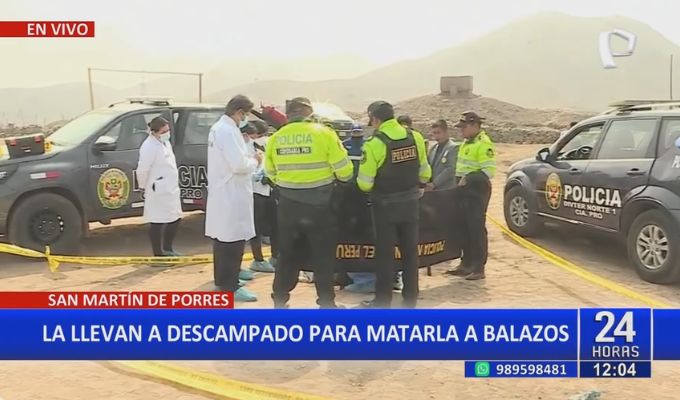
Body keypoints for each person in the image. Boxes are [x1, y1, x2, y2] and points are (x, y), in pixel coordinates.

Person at [265, 97, 353, 309]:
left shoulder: (276, 138)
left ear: (288, 114)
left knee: (287, 255)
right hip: (319, 206)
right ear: (308, 112)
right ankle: (326, 304)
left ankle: (280, 301)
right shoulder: (324, 133)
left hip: (288, 207)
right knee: (322, 256)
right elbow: (345, 170)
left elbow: (270, 172)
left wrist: (290, 184)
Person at [357, 101, 431, 308]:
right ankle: (410, 298)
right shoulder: (414, 137)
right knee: (410, 252)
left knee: (385, 255)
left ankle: (383, 301)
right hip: (410, 204)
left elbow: (364, 183)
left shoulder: (374, 144)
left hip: (385, 207)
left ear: (375, 119)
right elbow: (425, 173)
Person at [205, 95, 262, 302]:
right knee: (233, 242)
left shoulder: (218, 128)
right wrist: (255, 161)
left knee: (222, 240)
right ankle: (231, 286)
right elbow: (238, 165)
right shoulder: (228, 131)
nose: (244, 120)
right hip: (232, 193)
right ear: (238, 112)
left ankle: (222, 280)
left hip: (224, 192)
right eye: (244, 115)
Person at [447, 111, 496, 281]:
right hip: (463, 191)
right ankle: (465, 263)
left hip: (476, 190)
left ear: (475, 126)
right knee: (463, 228)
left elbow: (488, 171)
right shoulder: (467, 142)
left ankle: (478, 267)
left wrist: (469, 178)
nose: (461, 131)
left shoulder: (483, 144)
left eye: (464, 127)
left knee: (476, 229)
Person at [136, 116, 183, 265]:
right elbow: (143, 169)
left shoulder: (165, 143)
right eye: (163, 131)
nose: (167, 133)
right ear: (154, 132)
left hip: (170, 189)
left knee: (175, 218)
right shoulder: (149, 146)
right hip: (157, 189)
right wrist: (143, 186)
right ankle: (158, 255)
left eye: (168, 130)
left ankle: (168, 249)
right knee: (157, 221)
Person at [243, 120, 277, 273]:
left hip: (270, 189)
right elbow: (244, 169)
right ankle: (258, 260)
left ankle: (276, 256)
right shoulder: (244, 147)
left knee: (275, 225)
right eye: (256, 136)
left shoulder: (268, 144)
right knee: (256, 228)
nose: (260, 138)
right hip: (254, 192)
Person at [426, 119, 458, 191]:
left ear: (446, 132)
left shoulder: (453, 148)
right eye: (434, 133)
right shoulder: (433, 148)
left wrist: (434, 184)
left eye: (438, 133)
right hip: (432, 189)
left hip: (446, 189)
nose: (436, 136)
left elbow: (450, 169)